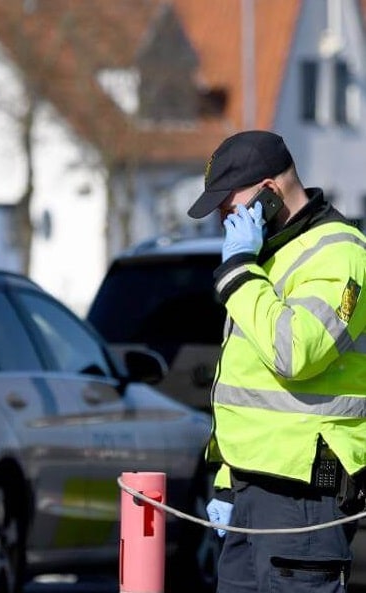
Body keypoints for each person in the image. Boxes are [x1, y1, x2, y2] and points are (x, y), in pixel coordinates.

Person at [187, 130, 366, 593]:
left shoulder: (339, 253)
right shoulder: (270, 255)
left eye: (230, 205)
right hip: (254, 489)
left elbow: (295, 352)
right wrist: (228, 481)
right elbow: (249, 391)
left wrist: (238, 274)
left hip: (305, 489)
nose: (224, 218)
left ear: (268, 192)